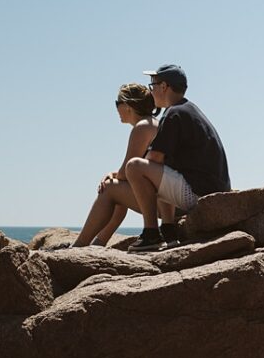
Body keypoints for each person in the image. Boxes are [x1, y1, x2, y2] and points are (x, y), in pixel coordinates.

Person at [125, 64, 231, 252]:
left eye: (153, 85)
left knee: (135, 167)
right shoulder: (188, 109)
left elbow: (154, 158)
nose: (151, 91)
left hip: (200, 193)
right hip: (213, 189)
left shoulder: (174, 113)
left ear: (164, 87)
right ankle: (169, 230)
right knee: (163, 168)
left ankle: (151, 234)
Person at [72, 84, 159, 247]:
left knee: (110, 188)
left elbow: (128, 170)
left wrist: (112, 177)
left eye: (117, 103)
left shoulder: (143, 127)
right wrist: (115, 174)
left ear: (127, 106)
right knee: (118, 188)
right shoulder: (152, 123)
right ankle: (98, 243)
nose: (116, 108)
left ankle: (80, 245)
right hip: (163, 197)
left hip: (162, 202)